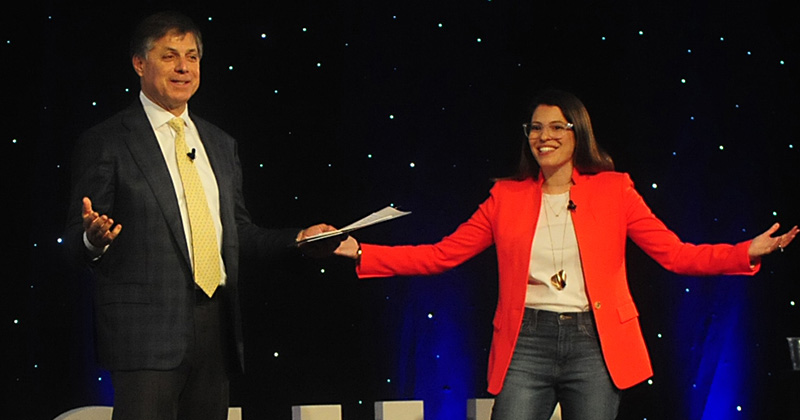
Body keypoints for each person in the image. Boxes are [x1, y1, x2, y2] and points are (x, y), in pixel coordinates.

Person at [334, 89, 798, 419]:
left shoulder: (616, 191)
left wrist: (744, 252)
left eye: (557, 126)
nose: (545, 136)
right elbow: (442, 255)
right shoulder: (505, 197)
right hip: (526, 342)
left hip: (594, 344)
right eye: (535, 128)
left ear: (579, 132)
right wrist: (363, 254)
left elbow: (675, 255)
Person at [64, 11, 341, 420]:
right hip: (145, 339)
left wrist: (297, 239)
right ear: (139, 64)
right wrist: (93, 238)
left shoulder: (219, 143)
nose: (183, 67)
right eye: (169, 56)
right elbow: (75, 238)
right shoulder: (106, 141)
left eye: (192, 57)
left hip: (215, 330)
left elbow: (237, 233)